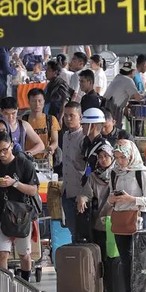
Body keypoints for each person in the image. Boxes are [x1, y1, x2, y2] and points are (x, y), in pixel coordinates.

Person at [108, 140, 146, 292]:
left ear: (131, 156)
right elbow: (110, 198)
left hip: (138, 219)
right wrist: (112, 200)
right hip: (121, 220)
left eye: (123, 158)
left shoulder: (141, 173)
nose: (120, 161)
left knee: (141, 260)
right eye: (117, 157)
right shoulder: (115, 174)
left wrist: (131, 199)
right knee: (125, 260)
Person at [0, 131, 39, 281]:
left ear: (11, 146)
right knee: (3, 253)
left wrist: (14, 183)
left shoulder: (23, 163)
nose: (2, 154)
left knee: (24, 254)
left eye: (4, 149)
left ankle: (26, 282)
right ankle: (4, 286)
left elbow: (33, 190)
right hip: (2, 214)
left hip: (21, 214)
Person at [77, 142, 115, 292]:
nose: (103, 159)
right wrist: (82, 198)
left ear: (113, 157)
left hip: (116, 223)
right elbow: (86, 193)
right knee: (102, 258)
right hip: (100, 223)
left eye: (106, 156)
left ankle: (115, 289)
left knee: (115, 259)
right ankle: (103, 289)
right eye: (100, 157)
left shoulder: (118, 174)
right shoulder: (93, 176)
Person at [61, 102, 86, 239]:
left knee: (80, 232)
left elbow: (89, 169)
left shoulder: (84, 138)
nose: (68, 119)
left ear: (80, 117)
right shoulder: (65, 136)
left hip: (80, 192)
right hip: (67, 190)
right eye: (65, 116)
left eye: (72, 115)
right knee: (72, 230)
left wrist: (84, 193)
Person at [24, 88, 61, 160]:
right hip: (27, 158)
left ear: (44, 102)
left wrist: (50, 148)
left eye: (39, 101)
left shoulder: (51, 120)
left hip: (45, 160)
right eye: (34, 101)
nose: (37, 104)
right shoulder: (23, 120)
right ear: (29, 102)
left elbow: (55, 141)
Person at [103, 61, 143, 127]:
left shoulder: (118, 77)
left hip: (105, 104)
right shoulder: (128, 80)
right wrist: (144, 95)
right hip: (114, 107)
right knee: (115, 128)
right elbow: (138, 98)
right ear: (133, 71)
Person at [80, 108, 110, 187]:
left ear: (92, 126)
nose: (82, 126)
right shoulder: (88, 143)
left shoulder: (104, 147)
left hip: (98, 192)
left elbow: (107, 175)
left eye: (84, 124)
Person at [44, 59, 72, 123]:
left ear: (55, 72)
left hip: (56, 116)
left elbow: (65, 101)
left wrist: (60, 118)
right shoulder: (50, 84)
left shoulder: (61, 84)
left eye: (48, 70)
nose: (46, 72)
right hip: (48, 115)